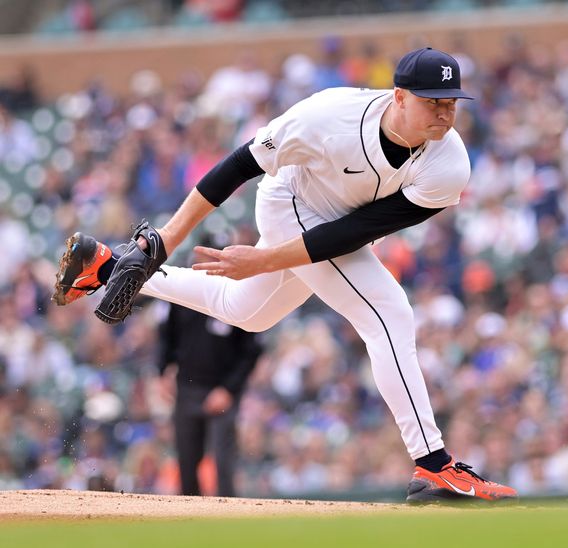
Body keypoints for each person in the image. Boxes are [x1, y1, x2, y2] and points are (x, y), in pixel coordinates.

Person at [53, 47, 517, 502]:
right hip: (290, 203)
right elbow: (238, 166)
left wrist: (263, 261)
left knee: (246, 312)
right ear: (398, 96)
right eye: (432, 101)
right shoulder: (328, 116)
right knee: (389, 314)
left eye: (451, 102)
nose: (444, 113)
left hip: (336, 229)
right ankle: (434, 464)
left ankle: (105, 267)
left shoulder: (449, 164)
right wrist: (166, 240)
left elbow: (355, 232)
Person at [159, 299, 261, 497]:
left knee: (223, 460)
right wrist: (163, 369)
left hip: (222, 391)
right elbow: (167, 335)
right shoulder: (183, 293)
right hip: (187, 387)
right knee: (187, 458)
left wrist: (228, 389)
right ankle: (188, 519)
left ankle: (228, 518)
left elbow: (251, 351)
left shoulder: (234, 294)